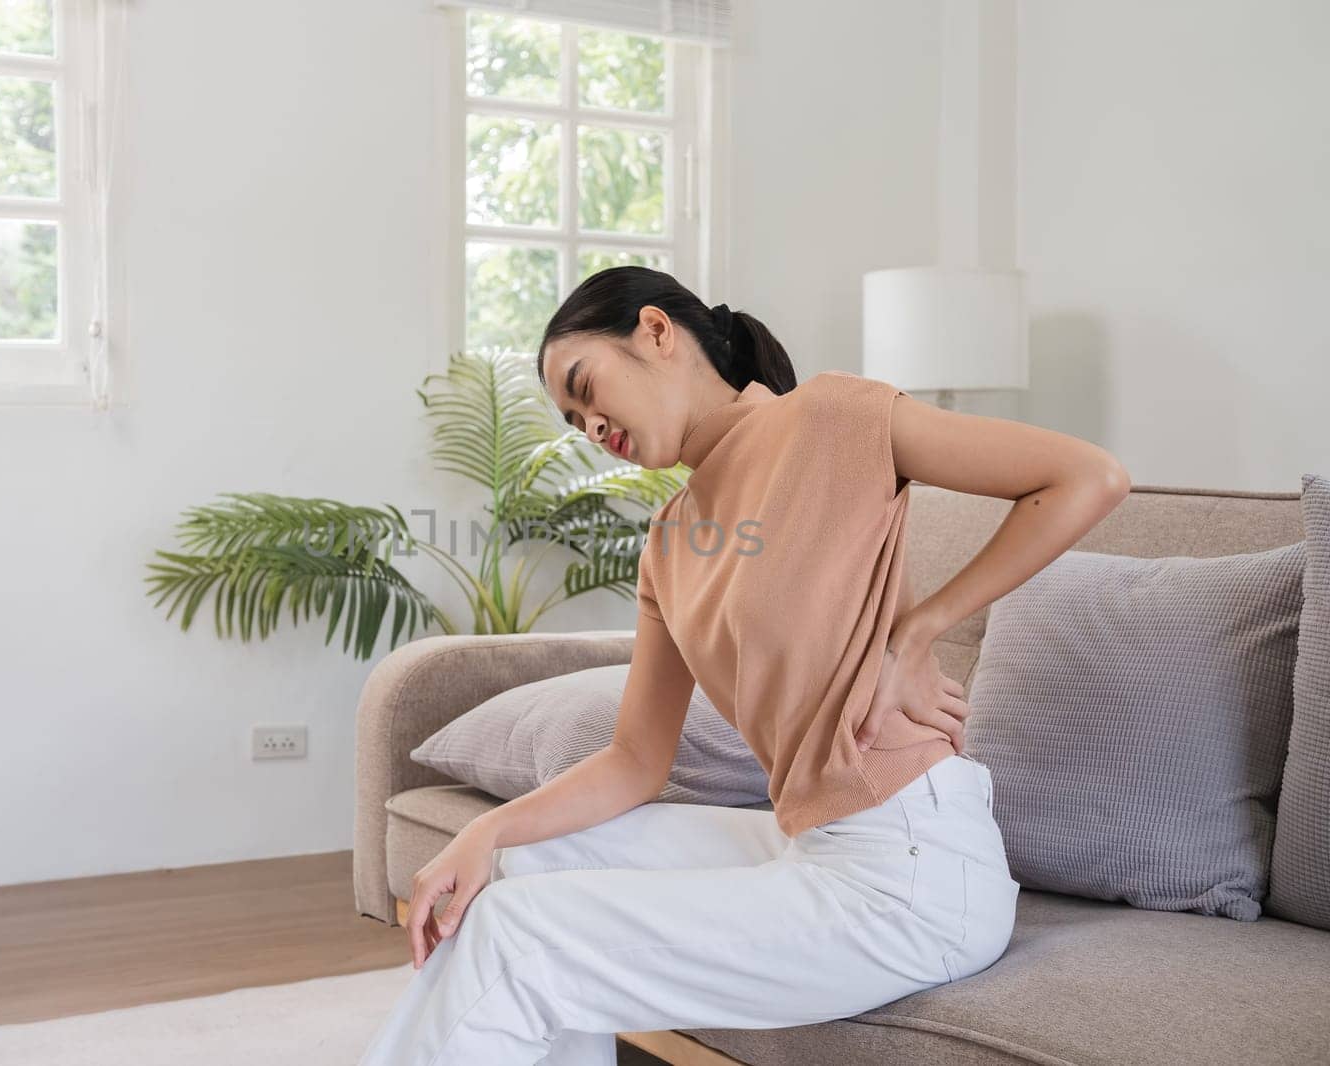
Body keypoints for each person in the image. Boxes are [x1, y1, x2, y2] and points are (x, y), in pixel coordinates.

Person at [358, 267, 1131, 1065]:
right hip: (817, 843)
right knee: (514, 873)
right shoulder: (671, 539)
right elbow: (634, 761)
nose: (590, 425)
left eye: (588, 388)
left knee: (524, 941)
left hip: (915, 870)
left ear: (657, 332)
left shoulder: (831, 418)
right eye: (572, 418)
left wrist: (918, 633)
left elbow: (1086, 476)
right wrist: (485, 831)